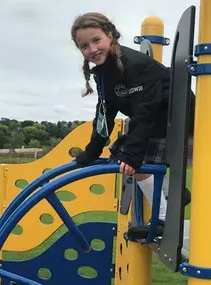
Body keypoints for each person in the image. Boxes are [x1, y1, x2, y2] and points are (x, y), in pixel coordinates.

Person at [71, 12, 191, 239]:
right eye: (84, 46)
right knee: (120, 152)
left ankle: (164, 219)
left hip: (175, 116)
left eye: (96, 40)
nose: (92, 49)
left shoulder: (134, 65)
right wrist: (90, 153)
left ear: (110, 35)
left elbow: (145, 111)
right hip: (157, 119)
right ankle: (175, 193)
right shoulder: (105, 72)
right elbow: (104, 114)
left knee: (133, 159)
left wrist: (133, 155)